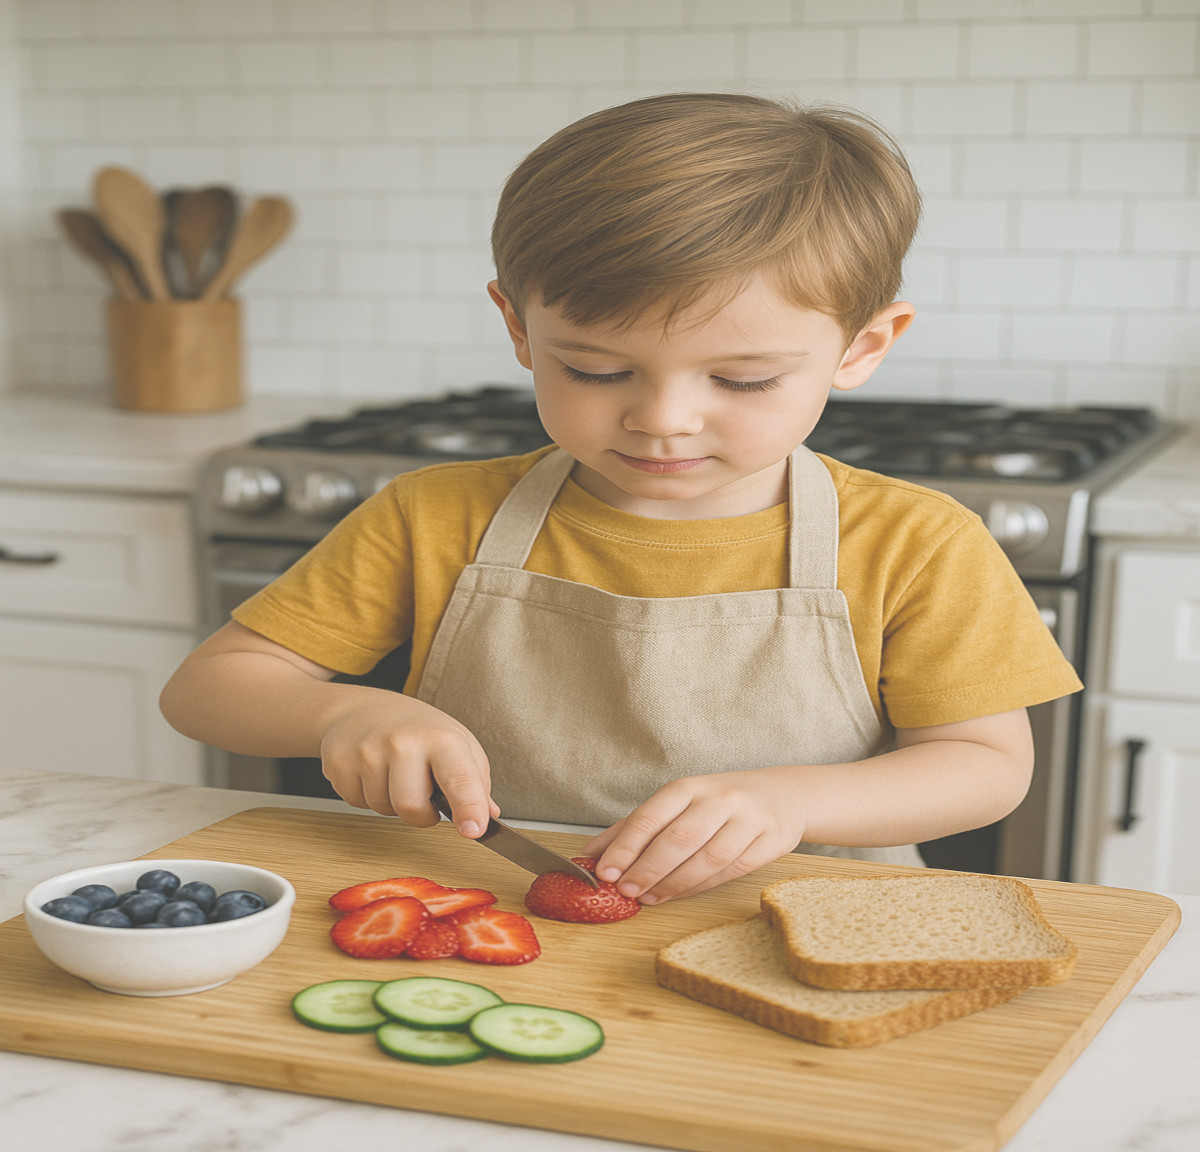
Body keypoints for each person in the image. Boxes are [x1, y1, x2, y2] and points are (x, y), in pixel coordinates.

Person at [160, 92, 1081, 906]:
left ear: (863, 347)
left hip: (813, 926)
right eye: (596, 368)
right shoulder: (433, 514)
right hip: (496, 917)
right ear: (519, 328)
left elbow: (985, 768)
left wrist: (793, 800)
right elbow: (208, 690)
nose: (664, 420)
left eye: (744, 380)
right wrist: (343, 714)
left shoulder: (918, 542)